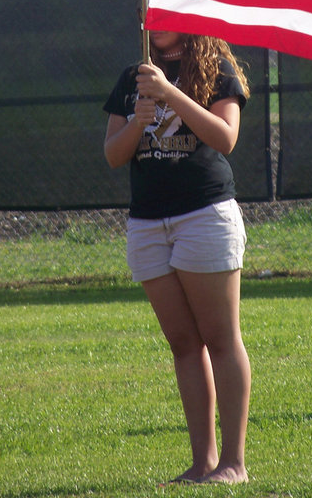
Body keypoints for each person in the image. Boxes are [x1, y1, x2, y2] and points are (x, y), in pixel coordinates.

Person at [103, 28, 251, 484]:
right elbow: (113, 155)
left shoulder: (215, 65)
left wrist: (170, 93)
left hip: (204, 215)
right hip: (148, 224)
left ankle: (233, 464)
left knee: (221, 339)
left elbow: (225, 138)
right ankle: (202, 463)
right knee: (184, 345)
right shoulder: (133, 76)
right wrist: (136, 122)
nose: (154, 17)